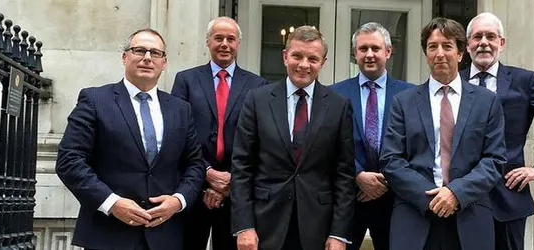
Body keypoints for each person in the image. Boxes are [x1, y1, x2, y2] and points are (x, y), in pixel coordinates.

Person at [56, 28, 205, 250]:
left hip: (165, 236)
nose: (147, 57)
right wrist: (112, 202)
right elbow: (70, 160)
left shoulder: (180, 109)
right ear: (125, 57)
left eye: (155, 53)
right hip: (108, 234)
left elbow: (195, 164)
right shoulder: (95, 100)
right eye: (139, 50)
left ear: (164, 63)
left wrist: (178, 201)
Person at [380, 18, 506, 250]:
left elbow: (494, 160)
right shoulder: (403, 103)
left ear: (460, 53)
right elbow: (391, 160)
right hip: (415, 216)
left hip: (470, 217)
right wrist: (432, 199)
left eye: (447, 46)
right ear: (426, 54)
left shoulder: (487, 102)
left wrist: (455, 193)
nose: (439, 53)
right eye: (432, 46)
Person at [231, 25, 355, 250]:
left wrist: (339, 234)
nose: (304, 65)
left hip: (318, 227)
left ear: (323, 63)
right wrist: (244, 226)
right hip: (263, 225)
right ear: (285, 56)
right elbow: (241, 167)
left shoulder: (339, 106)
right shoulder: (257, 100)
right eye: (297, 56)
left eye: (313, 58)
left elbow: (344, 175)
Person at [461, 12, 534, 250]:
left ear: (501, 43)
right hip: (462, 195)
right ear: (468, 44)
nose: (483, 42)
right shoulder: (454, 82)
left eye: (491, 36)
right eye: (477, 37)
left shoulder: (524, 81)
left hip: (508, 195)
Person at [171, 17, 269, 250]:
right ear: (208, 42)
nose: (224, 43)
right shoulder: (186, 80)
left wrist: (230, 181)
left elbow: (262, 140)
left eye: (230, 39)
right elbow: (177, 133)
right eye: (218, 38)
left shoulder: (258, 85)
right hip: (194, 189)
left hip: (238, 195)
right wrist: (207, 174)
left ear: (238, 44)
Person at [331, 22, 416, 250]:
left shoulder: (411, 95)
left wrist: (384, 181)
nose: (369, 55)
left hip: (395, 199)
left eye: (375, 49)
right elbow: (329, 144)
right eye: (363, 49)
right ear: (355, 53)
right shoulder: (334, 94)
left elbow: (415, 145)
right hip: (349, 199)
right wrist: (358, 175)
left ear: (388, 52)